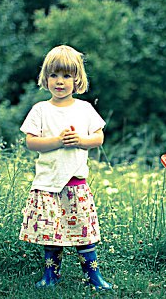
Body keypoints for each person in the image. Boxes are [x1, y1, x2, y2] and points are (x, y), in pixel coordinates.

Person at [19, 45, 113, 290]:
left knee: (84, 234)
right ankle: (51, 275)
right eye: (54, 75)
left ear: (77, 79)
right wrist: (58, 141)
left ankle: (93, 276)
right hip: (48, 184)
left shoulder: (84, 109)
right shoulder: (40, 110)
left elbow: (99, 137)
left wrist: (81, 141)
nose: (59, 81)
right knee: (51, 234)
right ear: (46, 78)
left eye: (66, 76)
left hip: (75, 184)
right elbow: (31, 141)